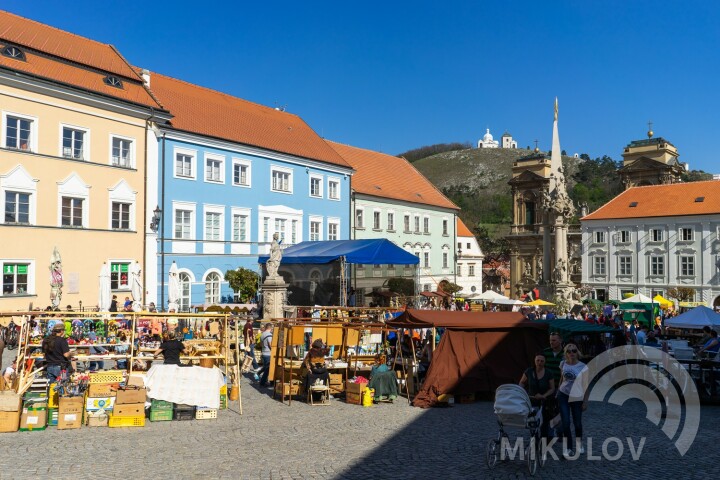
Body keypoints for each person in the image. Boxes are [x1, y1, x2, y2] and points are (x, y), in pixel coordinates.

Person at [557, 343, 588, 458]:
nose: (572, 353)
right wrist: (557, 392)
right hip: (563, 395)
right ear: (566, 353)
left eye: (574, 351)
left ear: (577, 352)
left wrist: (585, 401)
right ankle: (569, 448)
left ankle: (579, 444)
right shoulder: (563, 364)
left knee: (577, 424)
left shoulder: (583, 367)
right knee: (565, 423)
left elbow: (586, 385)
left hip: (577, 397)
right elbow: (562, 379)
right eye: (569, 351)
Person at [519, 353, 556, 438]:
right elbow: (521, 382)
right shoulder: (529, 371)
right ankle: (534, 437)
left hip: (545, 400)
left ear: (545, 362)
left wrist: (544, 395)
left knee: (544, 421)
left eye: (542, 361)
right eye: (538, 360)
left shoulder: (549, 373)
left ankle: (544, 438)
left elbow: (552, 388)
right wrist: (523, 392)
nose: (539, 362)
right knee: (532, 420)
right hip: (531, 400)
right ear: (534, 361)